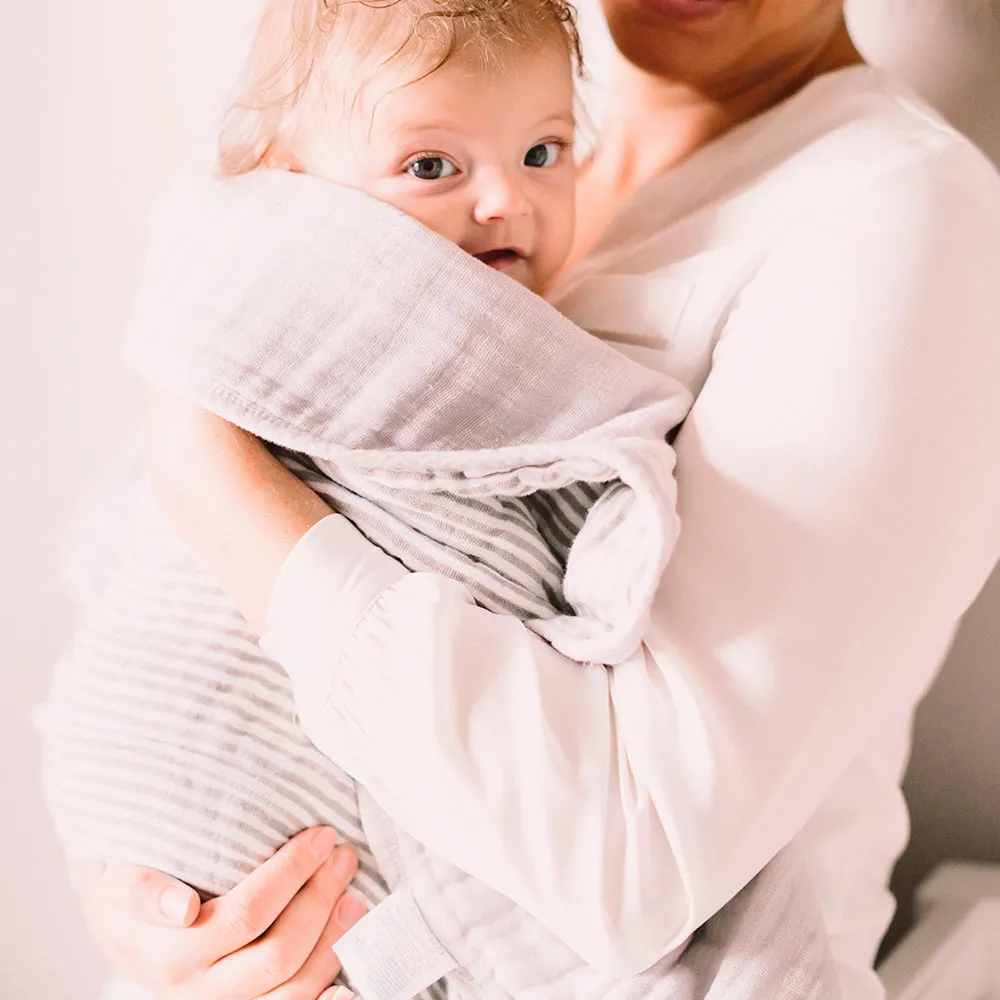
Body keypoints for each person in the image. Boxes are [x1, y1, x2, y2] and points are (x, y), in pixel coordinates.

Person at [75, 0, 1000, 998]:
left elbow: (638, 848)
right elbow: (155, 599)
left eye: (537, 156)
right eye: (440, 167)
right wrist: (161, 878)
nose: (499, 198)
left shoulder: (899, 208)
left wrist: (207, 468)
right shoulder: (443, 138)